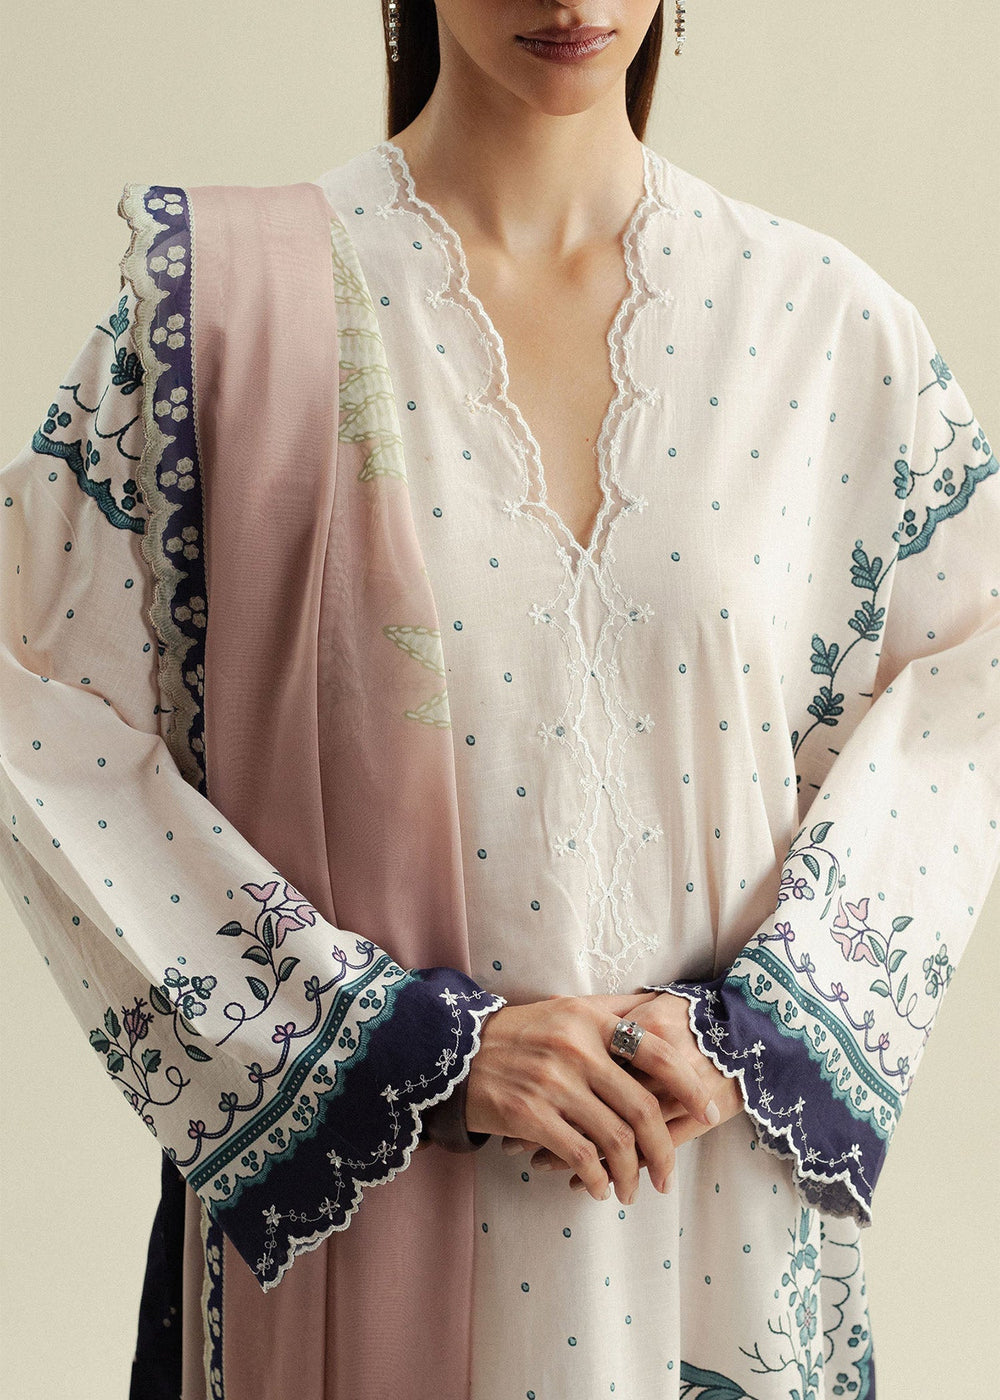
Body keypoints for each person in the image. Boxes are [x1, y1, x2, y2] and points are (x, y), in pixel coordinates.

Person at [1, 2, 996, 1397]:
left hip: (710, 1231)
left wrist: (764, 1032)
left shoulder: (829, 332)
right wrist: (406, 1050)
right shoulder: (220, 320)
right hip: (372, 1228)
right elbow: (32, 706)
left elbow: (969, 695)